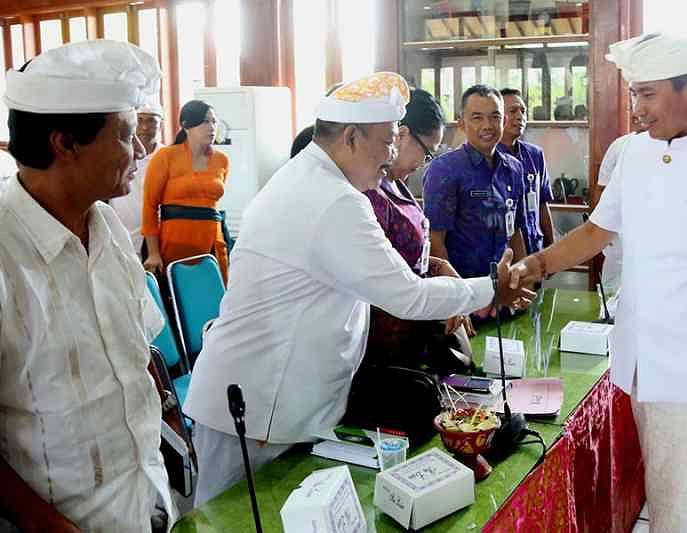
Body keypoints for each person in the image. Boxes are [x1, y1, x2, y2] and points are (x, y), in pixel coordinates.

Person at [183, 72, 532, 505]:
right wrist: (492, 289)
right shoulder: (333, 199)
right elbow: (409, 295)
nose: (391, 155)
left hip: (276, 401)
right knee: (231, 521)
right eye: (387, 140)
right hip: (258, 406)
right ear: (350, 137)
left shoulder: (312, 177)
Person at [510, 33, 687, 532]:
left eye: (648, 94)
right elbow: (597, 230)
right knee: (665, 503)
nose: (636, 108)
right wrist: (538, 264)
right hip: (645, 368)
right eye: (633, 94)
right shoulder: (635, 154)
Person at [0, 40, 175, 532]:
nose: (140, 150)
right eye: (124, 135)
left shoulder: (109, 228)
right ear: (66, 143)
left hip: (147, 498)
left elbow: (139, 350)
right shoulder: (6, 251)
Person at [363, 88, 475, 371]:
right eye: (426, 153)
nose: (423, 164)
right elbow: (383, 275)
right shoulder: (369, 194)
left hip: (416, 329)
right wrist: (447, 294)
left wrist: (441, 268)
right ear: (400, 134)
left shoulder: (396, 184)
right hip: (387, 344)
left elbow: (410, 258)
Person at [423, 84, 528, 287]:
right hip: (465, 290)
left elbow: (515, 231)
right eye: (477, 117)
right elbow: (436, 240)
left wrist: (523, 279)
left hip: (505, 288)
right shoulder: (445, 169)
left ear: (504, 121)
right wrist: (457, 297)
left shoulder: (514, 168)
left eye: (495, 117)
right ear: (462, 123)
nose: (487, 125)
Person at [141, 99, 230, 282]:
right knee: (178, 301)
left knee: (215, 299)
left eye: (214, 121)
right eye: (205, 121)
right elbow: (150, 206)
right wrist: (153, 253)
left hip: (213, 240)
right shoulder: (166, 156)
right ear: (186, 125)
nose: (211, 127)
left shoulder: (222, 160)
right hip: (173, 241)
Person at [592, 114, 648, 304]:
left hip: (651, 237)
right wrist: (603, 230)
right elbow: (601, 189)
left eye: (648, 96)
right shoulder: (620, 146)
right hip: (618, 235)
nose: (636, 112)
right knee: (611, 294)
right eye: (633, 102)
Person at [497, 87, 554, 257]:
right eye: (513, 111)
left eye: (523, 111)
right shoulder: (489, 157)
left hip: (534, 246)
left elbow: (542, 203)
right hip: (503, 253)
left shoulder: (535, 155)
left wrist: (550, 247)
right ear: (497, 116)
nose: (520, 116)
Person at [110, 100, 164, 256]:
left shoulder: (167, 156)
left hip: (157, 238)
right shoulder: (120, 153)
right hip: (120, 231)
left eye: (151, 121)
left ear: (160, 125)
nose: (145, 127)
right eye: (140, 120)